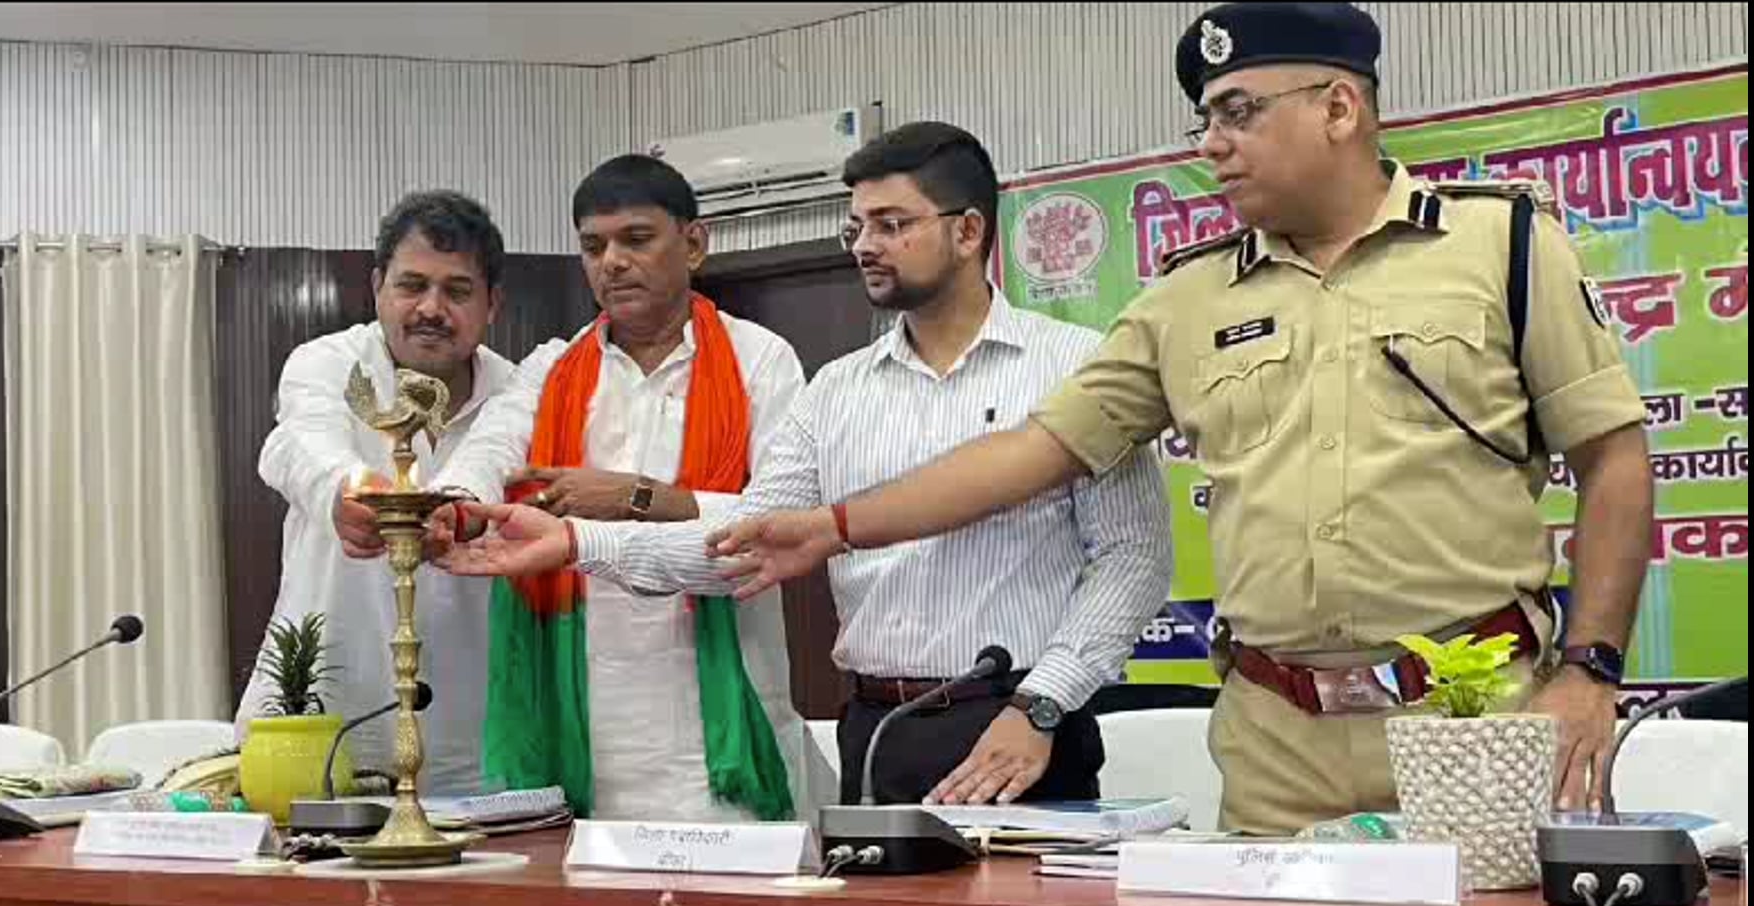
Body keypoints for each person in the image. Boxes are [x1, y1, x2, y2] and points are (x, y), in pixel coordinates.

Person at [700, 3, 1655, 835]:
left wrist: (1591, 671)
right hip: (1277, 738)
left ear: (1339, 107)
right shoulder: (1186, 300)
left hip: (1474, 715)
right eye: (1205, 119)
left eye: (1239, 112)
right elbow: (1034, 452)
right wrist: (834, 527)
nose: (1212, 143)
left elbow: (1613, 460)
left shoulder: (1502, 245)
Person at [439, 123, 1173, 808]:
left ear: (968, 231)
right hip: (878, 728)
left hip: (1022, 723)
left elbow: (1133, 558)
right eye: (857, 228)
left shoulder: (1073, 366)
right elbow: (749, 538)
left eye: (892, 224)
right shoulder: (839, 390)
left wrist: (1043, 703)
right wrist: (572, 542)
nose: (865, 246)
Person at [355, 154, 808, 823]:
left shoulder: (761, 361)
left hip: (720, 733)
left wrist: (637, 498)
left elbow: (783, 525)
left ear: (693, 244)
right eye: (594, 247)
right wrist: (453, 507)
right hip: (582, 729)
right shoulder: (553, 367)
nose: (613, 263)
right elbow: (491, 449)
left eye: (636, 239)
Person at [239, 190, 517, 796]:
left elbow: (493, 462)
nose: (431, 308)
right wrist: (345, 492)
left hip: (466, 742)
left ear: (492, 303)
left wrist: (456, 512)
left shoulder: (516, 393)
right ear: (377, 287)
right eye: (411, 285)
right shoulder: (325, 363)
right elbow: (301, 445)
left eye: (457, 291)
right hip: (315, 727)